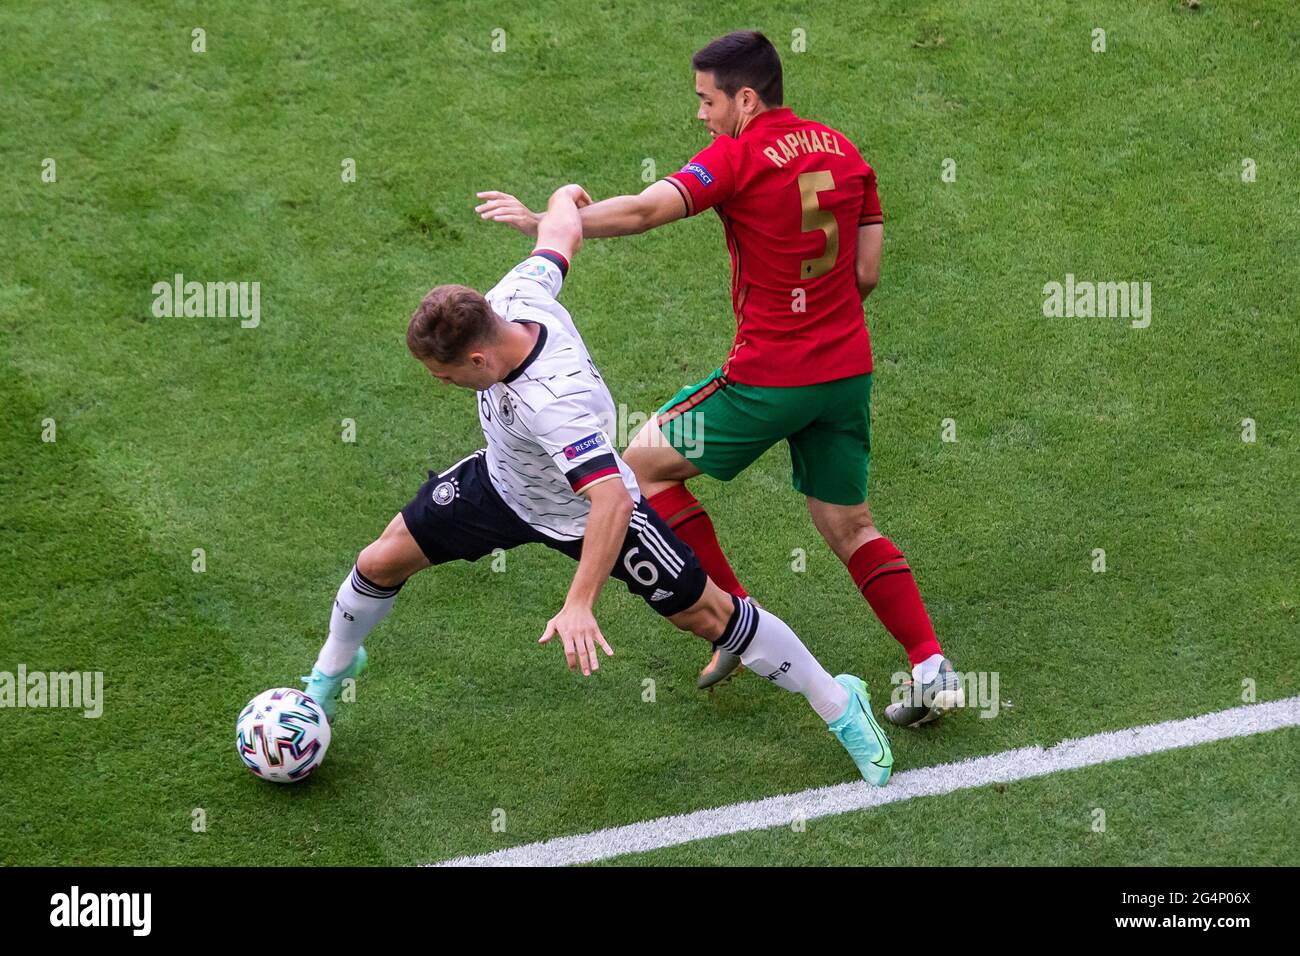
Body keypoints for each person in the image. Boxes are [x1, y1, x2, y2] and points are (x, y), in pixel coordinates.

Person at [301, 183, 894, 785]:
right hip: (505, 486)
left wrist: (579, 602)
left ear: (478, 360)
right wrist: (560, 197)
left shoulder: (552, 405)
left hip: (592, 515)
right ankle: (327, 678)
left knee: (712, 616)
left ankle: (841, 704)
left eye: (444, 374)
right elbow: (562, 234)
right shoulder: (515, 294)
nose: (440, 383)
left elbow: (610, 498)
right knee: (379, 561)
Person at [476, 31, 963, 727]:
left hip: (765, 380)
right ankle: (928, 662)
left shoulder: (739, 155)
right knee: (851, 527)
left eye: (707, 100)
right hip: (846, 374)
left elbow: (645, 210)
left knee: (636, 466)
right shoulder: (846, 152)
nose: (701, 116)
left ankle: (734, 621)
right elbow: (866, 274)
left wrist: (553, 221)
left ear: (745, 96)